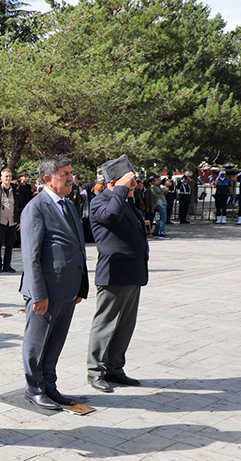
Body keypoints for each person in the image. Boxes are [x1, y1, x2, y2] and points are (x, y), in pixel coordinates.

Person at [19, 156, 89, 411]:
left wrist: (81, 286)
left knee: (56, 341)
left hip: (67, 289)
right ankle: (34, 388)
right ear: (48, 179)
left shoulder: (69, 206)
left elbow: (78, 247)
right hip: (45, 291)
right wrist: (39, 294)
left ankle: (49, 385)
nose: (71, 177)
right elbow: (31, 256)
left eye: (71, 172)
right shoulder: (35, 208)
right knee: (37, 342)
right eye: (65, 174)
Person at [87, 155, 147, 393]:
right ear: (114, 183)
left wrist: (126, 192)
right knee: (105, 324)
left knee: (124, 326)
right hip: (113, 274)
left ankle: (114, 367)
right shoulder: (100, 201)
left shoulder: (125, 201)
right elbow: (111, 217)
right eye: (130, 184)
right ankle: (95, 370)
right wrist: (121, 188)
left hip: (132, 273)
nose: (134, 188)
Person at [0, 169, 21, 273]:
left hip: (12, 222)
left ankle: (7, 265)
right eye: (6, 176)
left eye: (10, 176)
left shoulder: (16, 191)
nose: (8, 178)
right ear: (1, 178)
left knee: (10, 245)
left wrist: (19, 221)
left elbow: (20, 206)